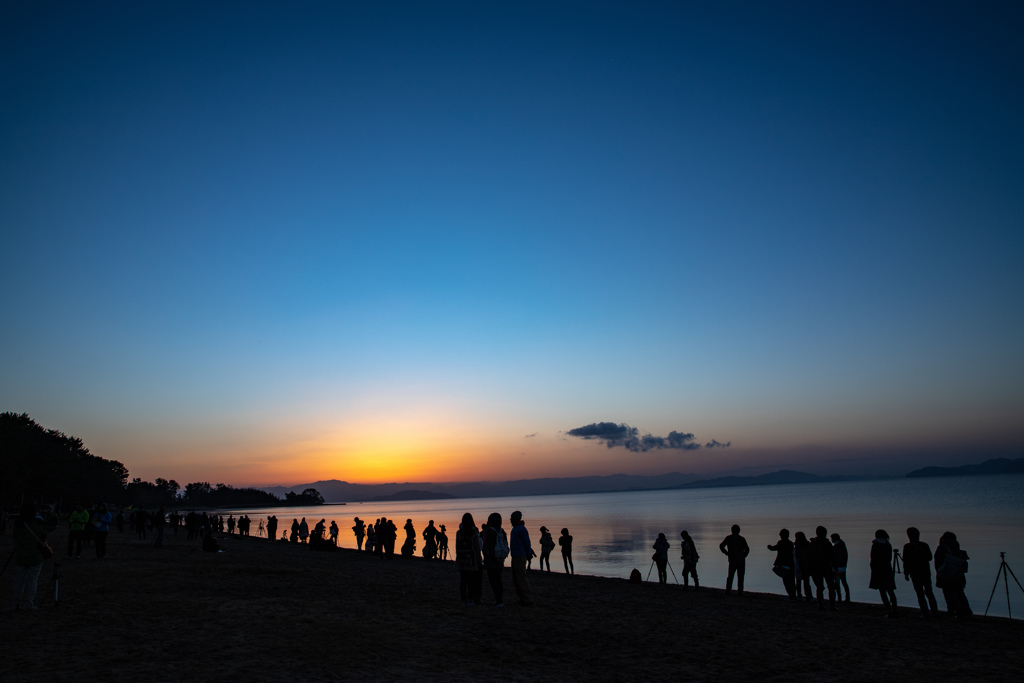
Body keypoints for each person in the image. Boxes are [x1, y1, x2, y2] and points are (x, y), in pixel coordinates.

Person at [11, 502, 59, 611]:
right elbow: (54, 525)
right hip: (35, 556)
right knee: (32, 580)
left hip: (21, 556)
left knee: (19, 580)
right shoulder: (37, 523)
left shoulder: (17, 524)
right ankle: (28, 603)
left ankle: (15, 603)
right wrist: (51, 512)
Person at [902, 527, 938, 617]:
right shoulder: (924, 545)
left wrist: (906, 573)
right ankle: (934, 611)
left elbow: (906, 561)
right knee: (929, 591)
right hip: (925, 571)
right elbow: (929, 557)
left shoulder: (907, 547)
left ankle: (925, 612)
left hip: (915, 573)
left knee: (920, 593)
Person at [935, 531, 972, 617]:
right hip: (958, 574)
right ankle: (965, 610)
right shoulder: (956, 547)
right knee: (959, 592)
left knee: (949, 593)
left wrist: (939, 573)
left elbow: (938, 561)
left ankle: (954, 610)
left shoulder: (942, 547)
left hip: (946, 574)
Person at [455, 513, 483, 606]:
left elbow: (457, 547)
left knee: (463, 581)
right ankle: (470, 600)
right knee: (471, 581)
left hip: (462, 560)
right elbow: (477, 547)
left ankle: (463, 600)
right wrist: (479, 560)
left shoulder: (459, 532)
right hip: (472, 560)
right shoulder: (474, 532)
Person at [870, 529, 898, 617]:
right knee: (890, 590)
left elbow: (873, 557)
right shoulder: (888, 544)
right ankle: (894, 609)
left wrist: (873, 567)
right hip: (887, 569)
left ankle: (888, 608)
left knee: (882, 591)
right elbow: (889, 558)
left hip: (878, 569)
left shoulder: (876, 544)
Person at [481, 512, 508, 607]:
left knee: (493, 580)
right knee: (498, 580)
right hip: (500, 559)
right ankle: (499, 599)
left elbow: (487, 546)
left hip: (491, 560)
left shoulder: (489, 532)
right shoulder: (502, 531)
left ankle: (498, 600)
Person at [809, 526, 838, 611]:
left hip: (815, 568)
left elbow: (809, 557)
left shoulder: (812, 544)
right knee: (831, 586)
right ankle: (832, 605)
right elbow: (832, 557)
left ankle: (820, 604)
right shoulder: (827, 543)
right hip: (826, 567)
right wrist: (835, 568)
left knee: (820, 587)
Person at [509, 511, 534, 605]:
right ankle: (522, 597)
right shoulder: (515, 529)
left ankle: (527, 599)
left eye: (512, 518)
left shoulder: (522, 529)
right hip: (515, 556)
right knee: (515, 578)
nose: (510, 520)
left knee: (521, 577)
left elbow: (527, 543)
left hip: (520, 556)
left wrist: (528, 554)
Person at [719, 524, 749, 595]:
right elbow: (747, 549)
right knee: (740, 576)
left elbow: (721, 546)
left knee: (731, 576)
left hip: (733, 559)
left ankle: (728, 590)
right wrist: (744, 555)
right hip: (740, 560)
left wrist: (726, 553)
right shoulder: (741, 539)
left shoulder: (729, 538)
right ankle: (740, 592)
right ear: (739, 531)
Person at [767, 529, 796, 598]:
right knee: (791, 581)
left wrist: (769, 546)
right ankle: (794, 595)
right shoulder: (790, 543)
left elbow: (773, 548)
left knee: (786, 581)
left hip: (784, 564)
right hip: (791, 564)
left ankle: (792, 596)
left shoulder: (781, 543)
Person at [831, 533, 851, 603]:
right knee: (844, 582)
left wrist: (835, 566)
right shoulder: (842, 545)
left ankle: (839, 597)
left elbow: (835, 557)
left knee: (837, 582)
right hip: (843, 567)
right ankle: (847, 597)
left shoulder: (836, 547)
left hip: (837, 567)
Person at [794, 531, 812, 601]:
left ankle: (799, 595)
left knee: (798, 581)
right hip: (806, 565)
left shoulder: (796, 545)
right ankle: (808, 596)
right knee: (806, 582)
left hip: (798, 565)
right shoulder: (807, 544)